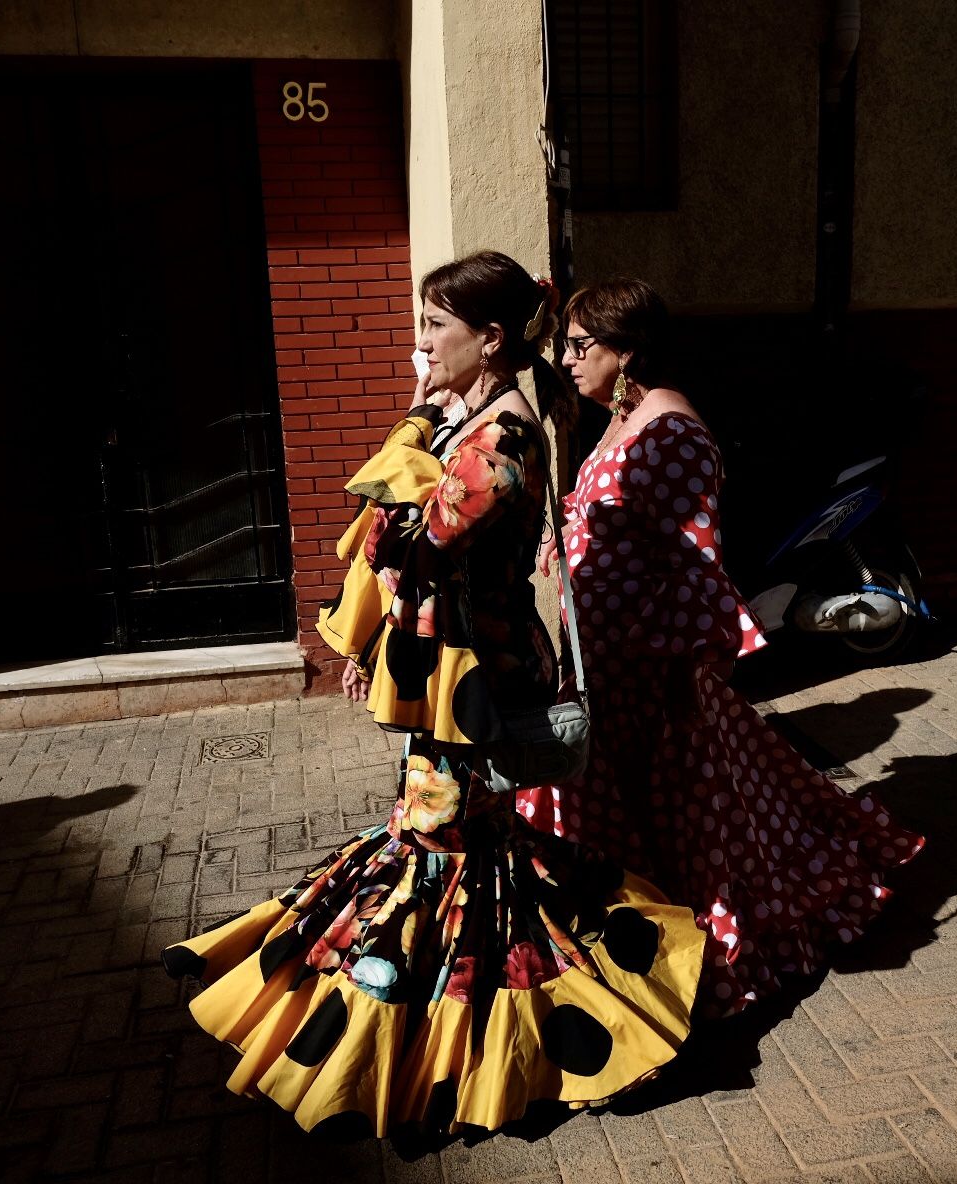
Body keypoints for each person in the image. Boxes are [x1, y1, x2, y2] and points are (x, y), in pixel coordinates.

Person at [161, 253, 705, 1138]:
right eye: (420, 326)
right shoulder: (471, 421)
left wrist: (413, 440)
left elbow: (410, 550)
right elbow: (397, 534)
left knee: (444, 846)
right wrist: (371, 633)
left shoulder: (507, 438)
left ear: (490, 341)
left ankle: (470, 1041)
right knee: (462, 845)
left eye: (432, 329)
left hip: (478, 686)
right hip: (453, 681)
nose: (418, 347)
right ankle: (479, 1032)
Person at [518, 279, 924, 1017]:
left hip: (651, 671)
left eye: (582, 346)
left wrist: (684, 669)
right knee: (651, 809)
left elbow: (694, 562)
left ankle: (698, 940)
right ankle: (641, 929)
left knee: (686, 814)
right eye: (566, 345)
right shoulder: (619, 416)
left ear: (627, 349)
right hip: (606, 665)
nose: (568, 359)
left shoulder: (670, 432)